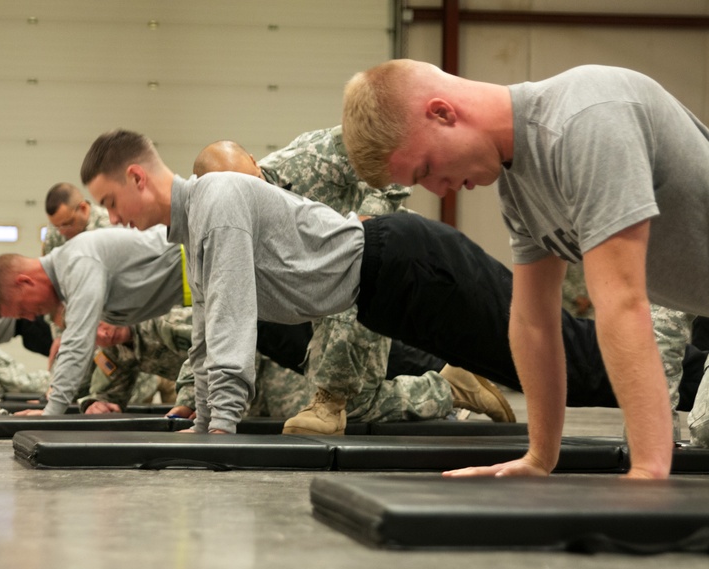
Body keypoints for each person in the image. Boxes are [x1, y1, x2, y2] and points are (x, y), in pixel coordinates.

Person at [79, 128, 654, 439]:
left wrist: (221, 426)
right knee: (532, 363)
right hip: (385, 292)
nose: (113, 219)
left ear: (136, 176)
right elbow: (209, 327)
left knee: (554, 357)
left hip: (406, 264)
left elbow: (232, 319)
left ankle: (677, 346)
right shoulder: (195, 227)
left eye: (110, 203)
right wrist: (201, 419)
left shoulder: (219, 198)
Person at [341, 60, 709, 480]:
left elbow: (622, 302)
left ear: (443, 112)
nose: (437, 189)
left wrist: (647, 471)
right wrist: (539, 458)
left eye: (426, 170)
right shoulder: (518, 184)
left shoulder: (587, 119)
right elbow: (533, 321)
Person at [193, 135, 514, 431]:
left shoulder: (310, 157)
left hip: (378, 258)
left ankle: (335, 401)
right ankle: (452, 388)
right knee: (357, 406)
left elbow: (386, 148)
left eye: (257, 185)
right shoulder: (223, 223)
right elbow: (216, 309)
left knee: (334, 401)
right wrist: (192, 398)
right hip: (321, 287)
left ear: (254, 160)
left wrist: (365, 226)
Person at [0, 227, 188, 415]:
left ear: (25, 282)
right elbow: (93, 354)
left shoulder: (76, 262)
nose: (31, 318)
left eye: (23, 310)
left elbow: (78, 342)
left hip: (200, 263)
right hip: (195, 285)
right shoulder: (71, 272)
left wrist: (49, 415)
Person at [81, 307, 311, 421]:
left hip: (265, 374)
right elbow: (108, 393)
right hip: (229, 399)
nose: (103, 334)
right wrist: (99, 404)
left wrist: (190, 400)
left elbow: (214, 346)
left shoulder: (164, 321)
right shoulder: (114, 351)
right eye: (95, 335)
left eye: (104, 324)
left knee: (309, 430)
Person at [42, 182, 112, 255]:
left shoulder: (109, 224)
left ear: (83, 208)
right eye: (57, 226)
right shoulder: (53, 229)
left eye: (67, 224)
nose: (61, 232)